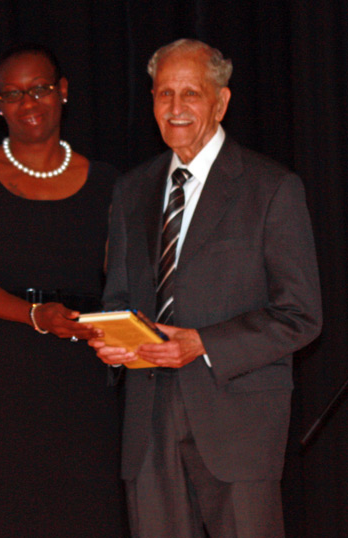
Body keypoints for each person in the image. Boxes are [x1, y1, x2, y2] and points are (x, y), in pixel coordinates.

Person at [89, 38, 322, 538]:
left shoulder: (272, 188)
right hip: (148, 431)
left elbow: (301, 314)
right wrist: (113, 342)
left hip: (236, 428)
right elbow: (120, 301)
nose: (175, 109)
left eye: (190, 94)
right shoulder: (131, 190)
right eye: (163, 94)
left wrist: (202, 344)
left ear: (221, 102)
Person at [0, 43, 128, 537]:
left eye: (40, 89)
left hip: (78, 375)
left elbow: (124, 280)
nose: (29, 103)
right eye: (14, 93)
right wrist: (35, 315)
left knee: (82, 513)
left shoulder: (109, 181)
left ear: (62, 92)